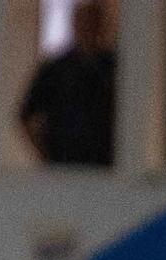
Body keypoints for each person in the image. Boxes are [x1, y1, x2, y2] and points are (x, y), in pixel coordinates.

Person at [18, 2, 114, 166]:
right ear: (74, 25)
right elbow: (27, 116)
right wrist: (46, 155)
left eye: (92, 23)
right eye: (83, 23)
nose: (87, 29)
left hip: (104, 165)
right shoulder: (56, 69)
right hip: (64, 163)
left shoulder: (113, 69)